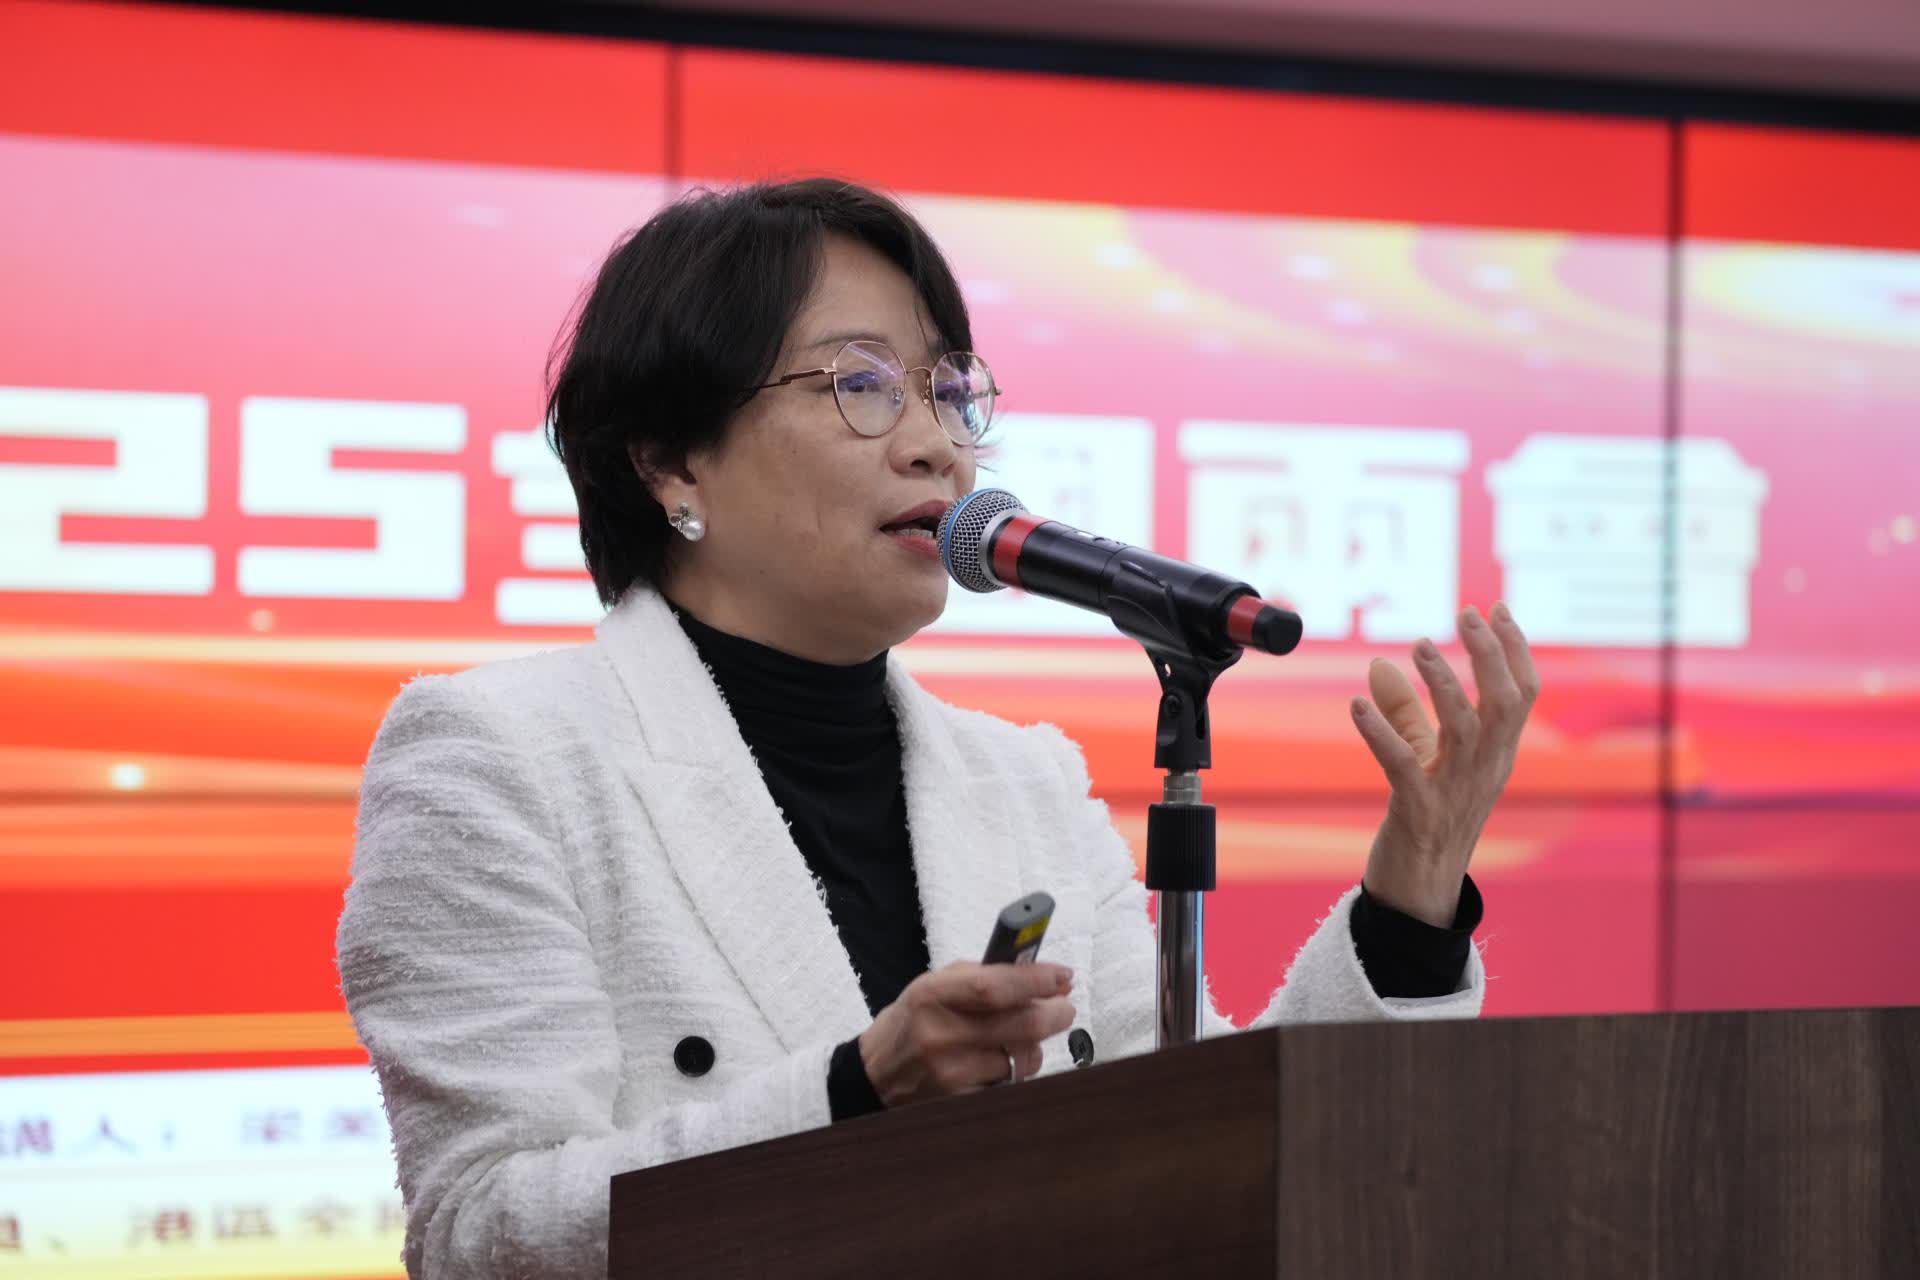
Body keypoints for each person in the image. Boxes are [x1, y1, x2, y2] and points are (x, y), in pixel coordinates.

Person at [335, 178, 1538, 1278]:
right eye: (859, 384)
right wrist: (856, 1093)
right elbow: (480, 1231)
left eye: (947, 391)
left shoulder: (1023, 777)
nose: (936, 444)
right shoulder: (496, 755)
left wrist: (1412, 896)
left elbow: (1209, 1138)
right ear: (669, 460)